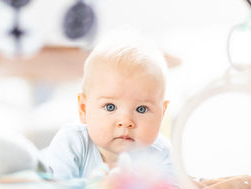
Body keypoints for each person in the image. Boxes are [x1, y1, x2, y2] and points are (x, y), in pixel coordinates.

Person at [43, 28, 172, 180]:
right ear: (84, 109)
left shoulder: (161, 152)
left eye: (141, 109)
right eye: (110, 107)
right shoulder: (72, 142)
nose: (126, 122)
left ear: (161, 114)